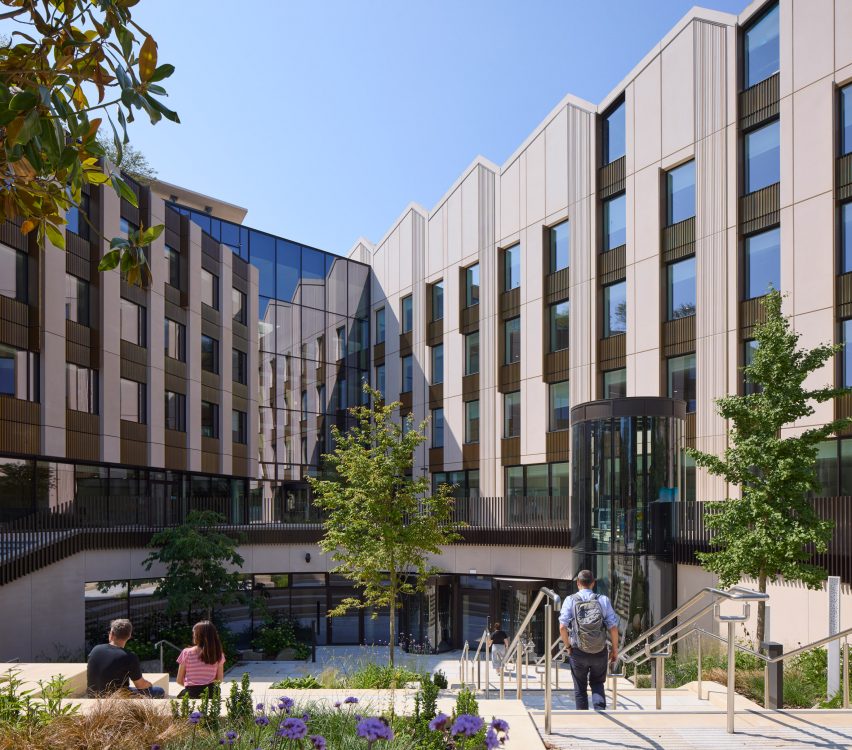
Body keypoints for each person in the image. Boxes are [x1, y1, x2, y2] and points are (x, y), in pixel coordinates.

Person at [558, 570, 619, 710]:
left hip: (578, 651)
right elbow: (613, 628)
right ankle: (601, 715)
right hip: (600, 651)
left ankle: (583, 719)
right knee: (597, 684)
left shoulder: (570, 600)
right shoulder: (603, 600)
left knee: (580, 687)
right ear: (593, 583)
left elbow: (562, 627)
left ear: (578, 583)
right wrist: (615, 650)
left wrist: (568, 647)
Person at [87, 619, 165, 698]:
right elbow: (140, 685)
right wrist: (149, 684)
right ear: (129, 636)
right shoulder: (129, 657)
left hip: (93, 696)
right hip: (116, 699)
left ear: (111, 634)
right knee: (159, 690)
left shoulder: (95, 649)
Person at [176, 620, 225, 698]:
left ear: (198, 635)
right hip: (211, 693)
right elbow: (219, 680)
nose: (193, 635)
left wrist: (192, 687)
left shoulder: (186, 653)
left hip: (191, 693)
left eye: (194, 633)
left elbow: (179, 680)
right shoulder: (219, 655)